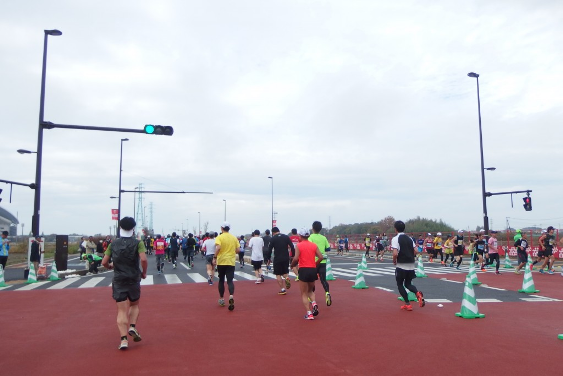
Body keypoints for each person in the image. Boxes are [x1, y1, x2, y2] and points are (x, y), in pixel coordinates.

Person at [101, 217, 148, 350]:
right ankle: (132, 326)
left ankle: (123, 340)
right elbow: (143, 259)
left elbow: (104, 262)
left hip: (119, 279)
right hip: (133, 277)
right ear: (133, 228)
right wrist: (143, 272)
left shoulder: (113, 244)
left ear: (120, 227)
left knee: (121, 310)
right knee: (134, 304)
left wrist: (110, 266)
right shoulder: (138, 243)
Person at [290, 228, 323, 320]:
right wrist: (314, 265)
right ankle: (314, 303)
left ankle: (309, 313)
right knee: (310, 291)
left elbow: (296, 258)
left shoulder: (299, 246)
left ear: (300, 236)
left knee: (304, 293)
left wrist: (292, 265)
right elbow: (321, 257)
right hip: (312, 269)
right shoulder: (313, 245)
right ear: (308, 236)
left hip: (303, 269)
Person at [391, 220, 425, 311]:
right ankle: (417, 293)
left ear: (395, 229)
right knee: (408, 283)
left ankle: (408, 304)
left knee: (400, 284)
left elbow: (395, 253)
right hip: (410, 264)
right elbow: (416, 250)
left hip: (401, 264)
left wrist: (394, 261)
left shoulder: (395, 239)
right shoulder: (409, 238)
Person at [214, 222, 239, 311]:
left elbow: (218, 247)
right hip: (231, 261)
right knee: (230, 280)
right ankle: (231, 295)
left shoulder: (219, 237)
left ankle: (221, 299)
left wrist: (215, 257)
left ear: (222, 228)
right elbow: (238, 250)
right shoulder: (234, 238)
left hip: (221, 261)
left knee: (221, 280)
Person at [309, 221, 332, 306]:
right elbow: (328, 249)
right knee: (323, 280)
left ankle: (311, 297)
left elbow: (309, 247)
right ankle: (327, 293)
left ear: (312, 228)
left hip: (313, 261)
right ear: (320, 229)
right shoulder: (323, 237)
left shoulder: (310, 237)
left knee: (312, 280)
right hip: (323, 261)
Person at [269, 227, 294, 295]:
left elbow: (270, 249)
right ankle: (287, 277)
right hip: (286, 257)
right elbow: (292, 246)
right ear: (279, 231)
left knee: (278, 274)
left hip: (277, 258)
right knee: (285, 271)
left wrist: (268, 258)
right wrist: (293, 255)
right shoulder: (286, 237)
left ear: (273, 232)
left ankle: (283, 289)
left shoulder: (273, 238)